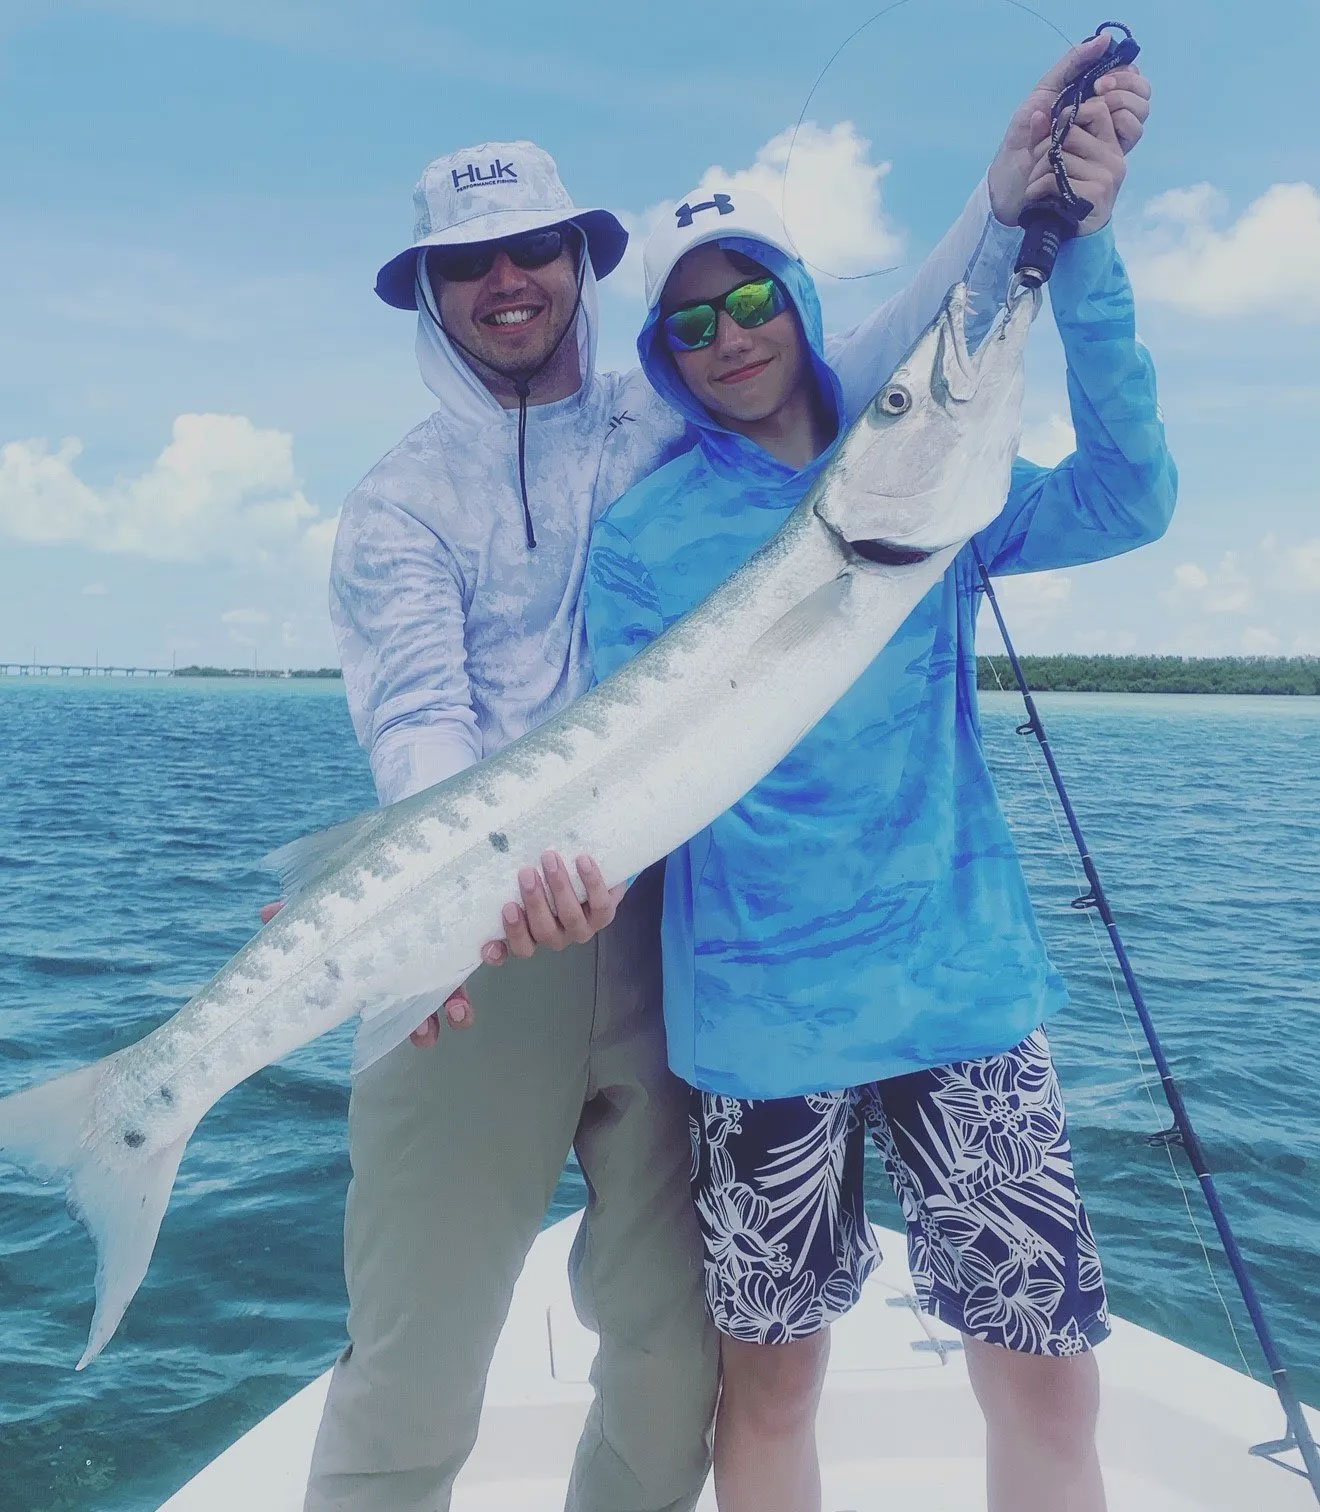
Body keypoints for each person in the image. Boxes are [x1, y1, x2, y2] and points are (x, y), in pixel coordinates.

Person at [298, 37, 1150, 1512]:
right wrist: (435, 896)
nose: (507, 284)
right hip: (552, 941)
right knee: (445, 1359)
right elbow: (422, 723)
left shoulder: (689, 417)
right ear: (430, 298)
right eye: (466, 265)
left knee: (671, 1362)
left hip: (779, 956)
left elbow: (885, 378)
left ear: (580, 261)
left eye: (533, 251)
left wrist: (1023, 213)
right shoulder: (416, 505)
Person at [580, 61, 1169, 1512]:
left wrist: (1082, 249)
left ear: (801, 301)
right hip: (759, 1022)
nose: (733, 337)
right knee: (771, 1383)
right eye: (693, 320)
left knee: (1041, 1361)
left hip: (962, 989)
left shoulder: (925, 475)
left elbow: (1127, 497)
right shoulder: (645, 539)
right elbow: (615, 778)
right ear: (664, 350)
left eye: (757, 298)